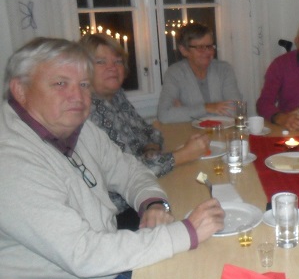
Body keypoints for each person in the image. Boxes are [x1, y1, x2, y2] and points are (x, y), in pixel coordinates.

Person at [0, 38, 225, 279]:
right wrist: (186, 232)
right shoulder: (11, 160)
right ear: (20, 90)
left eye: (83, 84)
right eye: (60, 84)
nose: (77, 96)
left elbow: (130, 170)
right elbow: (84, 254)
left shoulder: (77, 128)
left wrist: (153, 202)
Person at [80, 34, 210, 229]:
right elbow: (127, 172)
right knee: (197, 207)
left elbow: (149, 131)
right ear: (82, 68)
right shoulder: (87, 112)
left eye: (117, 61)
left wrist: (150, 147)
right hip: (120, 213)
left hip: (145, 191)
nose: (112, 67)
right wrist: (182, 155)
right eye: (101, 62)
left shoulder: (116, 97)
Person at [157, 22, 242, 123]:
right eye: (200, 47)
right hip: (190, 132)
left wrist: (184, 111)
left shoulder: (224, 70)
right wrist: (207, 107)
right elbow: (164, 115)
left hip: (223, 131)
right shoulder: (174, 74)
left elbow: (236, 110)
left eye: (209, 46)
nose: (208, 52)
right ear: (184, 50)